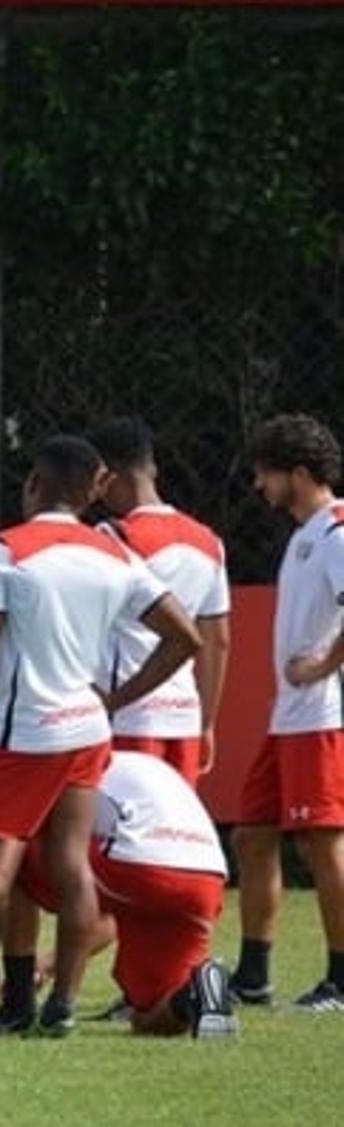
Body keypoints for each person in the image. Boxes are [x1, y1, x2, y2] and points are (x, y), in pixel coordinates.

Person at [0, 435, 200, 1040]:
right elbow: (185, 636)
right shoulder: (113, 554)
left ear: (34, 485)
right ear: (91, 491)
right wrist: (114, 699)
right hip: (86, 726)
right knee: (69, 863)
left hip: (22, 726)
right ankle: (62, 1006)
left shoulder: (6, 550)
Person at [233, 413, 344, 1011]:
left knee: (324, 845)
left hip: (321, 716)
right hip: (290, 718)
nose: (260, 486)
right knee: (253, 836)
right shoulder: (308, 536)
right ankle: (254, 974)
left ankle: (342, 978)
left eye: (266, 473)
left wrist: (324, 666)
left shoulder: (336, 533)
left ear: (298, 474)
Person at [8, 752, 236, 1039]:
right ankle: (195, 992)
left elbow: (4, 878)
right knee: (150, 1019)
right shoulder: (136, 766)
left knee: (13, 855)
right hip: (207, 877)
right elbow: (107, 916)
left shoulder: (66, 762)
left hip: (142, 864)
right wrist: (49, 963)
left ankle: (19, 1001)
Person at [90, 417, 231, 784]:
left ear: (107, 476)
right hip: (184, 717)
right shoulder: (209, 542)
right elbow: (217, 641)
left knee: (118, 834)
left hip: (125, 714)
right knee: (172, 834)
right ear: (151, 467)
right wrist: (207, 724)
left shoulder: (112, 536)